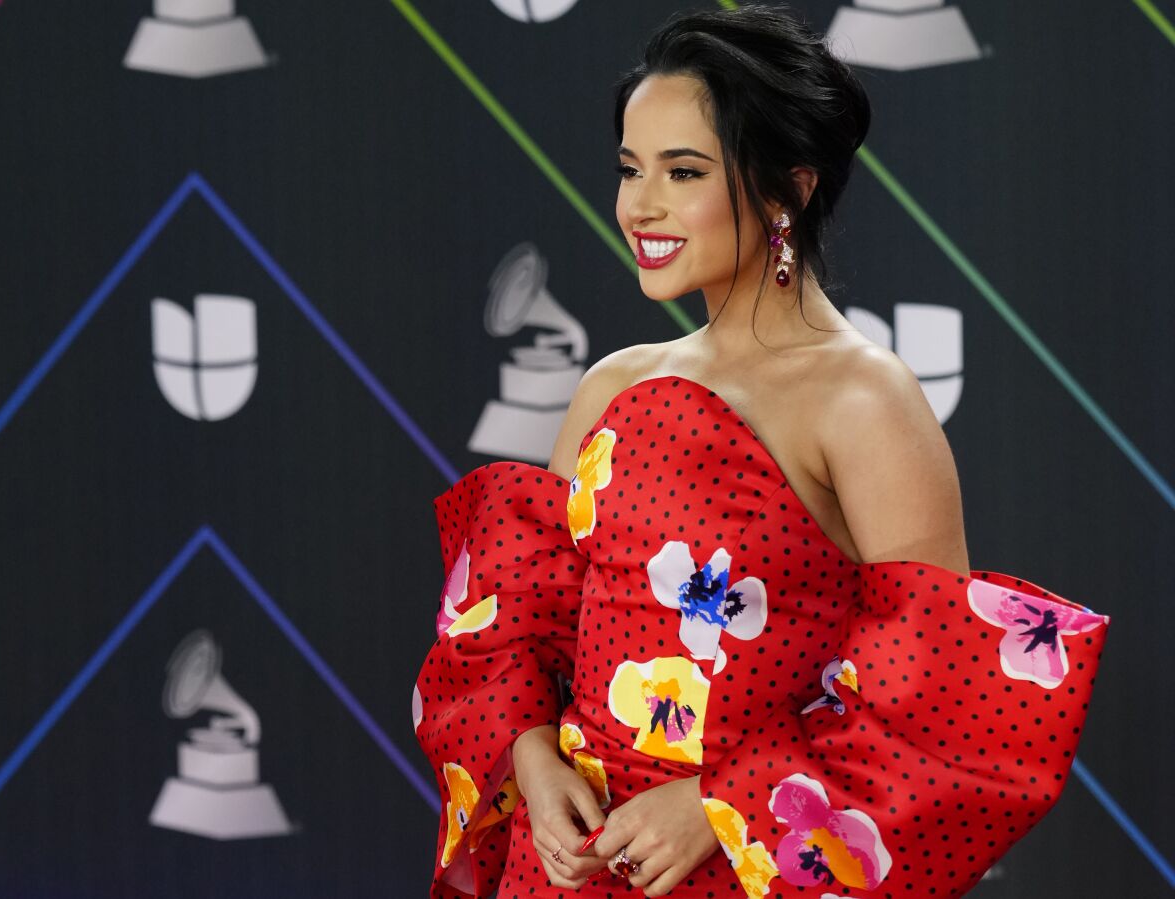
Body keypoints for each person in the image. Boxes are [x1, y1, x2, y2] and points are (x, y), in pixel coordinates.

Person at [412, 5, 1109, 897]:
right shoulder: (610, 386)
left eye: (684, 171)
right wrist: (536, 763)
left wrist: (718, 806)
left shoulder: (864, 400)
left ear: (789, 188)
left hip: (747, 871)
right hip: (567, 868)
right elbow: (513, 631)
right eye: (630, 168)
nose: (640, 205)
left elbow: (929, 702)